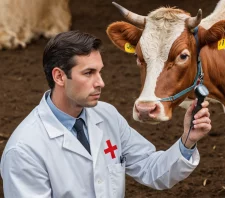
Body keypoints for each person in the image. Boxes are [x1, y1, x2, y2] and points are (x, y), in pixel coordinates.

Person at [0, 30, 211, 198]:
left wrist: (187, 141)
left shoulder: (107, 115)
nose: (101, 82)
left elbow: (151, 169)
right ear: (59, 76)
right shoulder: (25, 151)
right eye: (89, 73)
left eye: (99, 71)